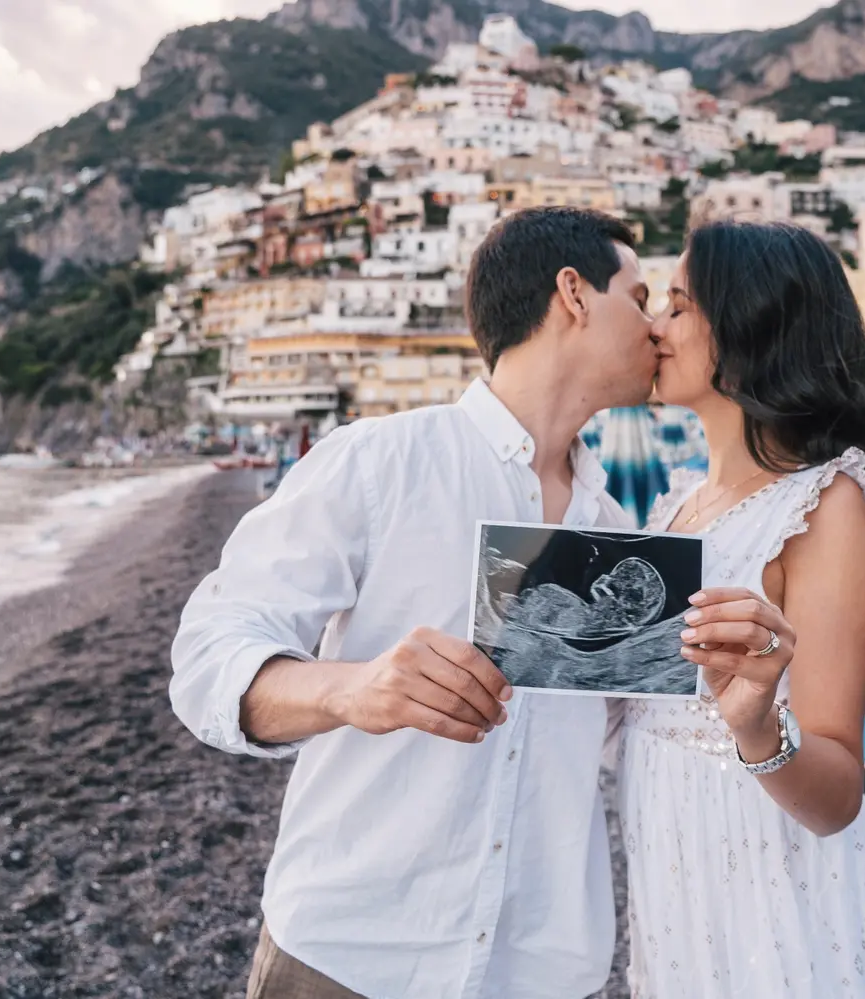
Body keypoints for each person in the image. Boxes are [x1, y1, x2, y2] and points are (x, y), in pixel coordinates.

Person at [170, 207, 781, 999]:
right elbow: (209, 653)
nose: (656, 327)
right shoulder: (382, 460)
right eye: (638, 297)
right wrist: (350, 689)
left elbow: (624, 740)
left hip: (541, 966)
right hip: (353, 951)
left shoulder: (621, 535)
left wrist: (735, 689)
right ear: (573, 294)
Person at [616, 220, 865, 998]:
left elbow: (837, 792)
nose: (655, 326)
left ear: (751, 326)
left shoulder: (825, 505)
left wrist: (757, 724)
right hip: (673, 876)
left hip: (777, 889)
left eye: (677, 303)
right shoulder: (676, 508)